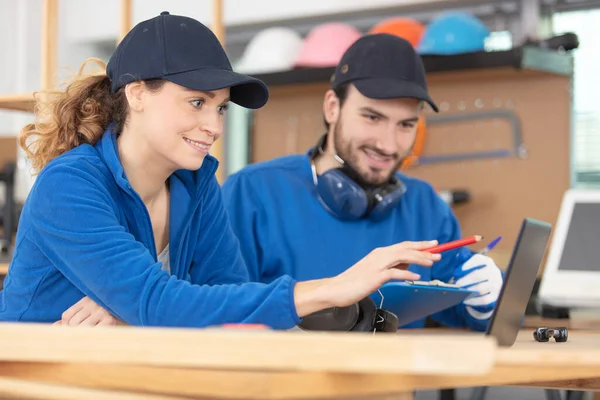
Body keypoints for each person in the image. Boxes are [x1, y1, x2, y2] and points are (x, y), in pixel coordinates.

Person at [0, 12, 442, 328]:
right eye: (196, 102)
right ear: (136, 94)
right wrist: (332, 289)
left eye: (220, 108)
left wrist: (135, 312)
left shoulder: (195, 185)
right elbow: (157, 301)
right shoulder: (70, 184)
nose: (212, 126)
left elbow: (229, 301)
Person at [221, 34, 504, 331]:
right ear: (332, 108)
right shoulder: (251, 193)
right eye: (372, 117)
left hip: (398, 379)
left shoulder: (425, 206)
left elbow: (469, 313)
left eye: (406, 125)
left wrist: (486, 303)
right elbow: (218, 313)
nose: (389, 145)